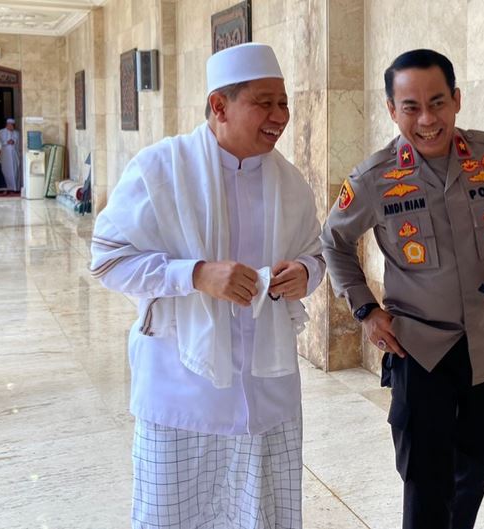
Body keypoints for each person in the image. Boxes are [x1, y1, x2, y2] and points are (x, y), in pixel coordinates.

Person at [90, 43, 324, 529]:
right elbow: (108, 259)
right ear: (220, 105)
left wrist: (305, 272)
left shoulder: (290, 183)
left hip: (267, 395)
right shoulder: (160, 170)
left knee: (262, 517)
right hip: (182, 396)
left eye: (284, 103)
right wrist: (195, 274)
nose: (280, 117)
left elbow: (316, 255)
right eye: (265, 103)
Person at [321, 49, 484, 529]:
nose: (427, 120)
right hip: (419, 350)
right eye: (411, 107)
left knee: (477, 465)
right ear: (392, 109)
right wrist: (366, 311)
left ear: (456, 100)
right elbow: (334, 242)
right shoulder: (375, 178)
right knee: (426, 483)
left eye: (438, 103)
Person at [0, 118, 21, 193]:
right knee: (6, 171)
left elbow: (19, 143)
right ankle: (5, 188)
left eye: (12, 125)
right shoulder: (1, 132)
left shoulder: (17, 133)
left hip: (14, 154)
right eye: (10, 124)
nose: (11, 126)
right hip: (5, 155)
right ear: (7, 124)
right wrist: (6, 142)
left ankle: (15, 188)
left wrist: (14, 142)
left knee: (15, 170)